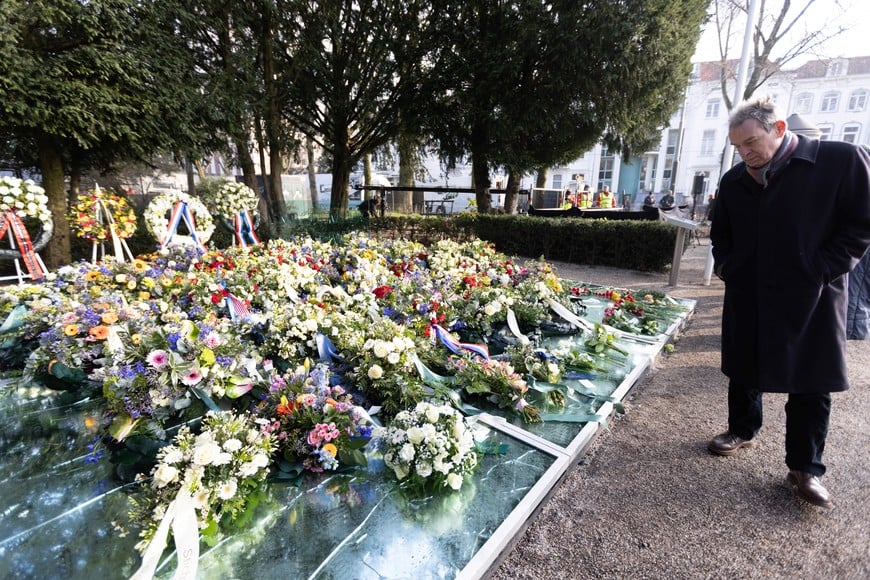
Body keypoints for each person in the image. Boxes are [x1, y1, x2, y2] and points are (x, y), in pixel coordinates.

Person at [709, 96, 870, 508]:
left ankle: (805, 468)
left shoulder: (842, 160)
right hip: (750, 289)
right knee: (744, 363)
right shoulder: (734, 181)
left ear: (780, 130)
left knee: (811, 379)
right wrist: (730, 267)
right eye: (738, 146)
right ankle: (742, 429)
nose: (745, 153)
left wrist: (823, 268)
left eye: (751, 142)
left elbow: (861, 223)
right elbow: (721, 232)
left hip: (813, 291)